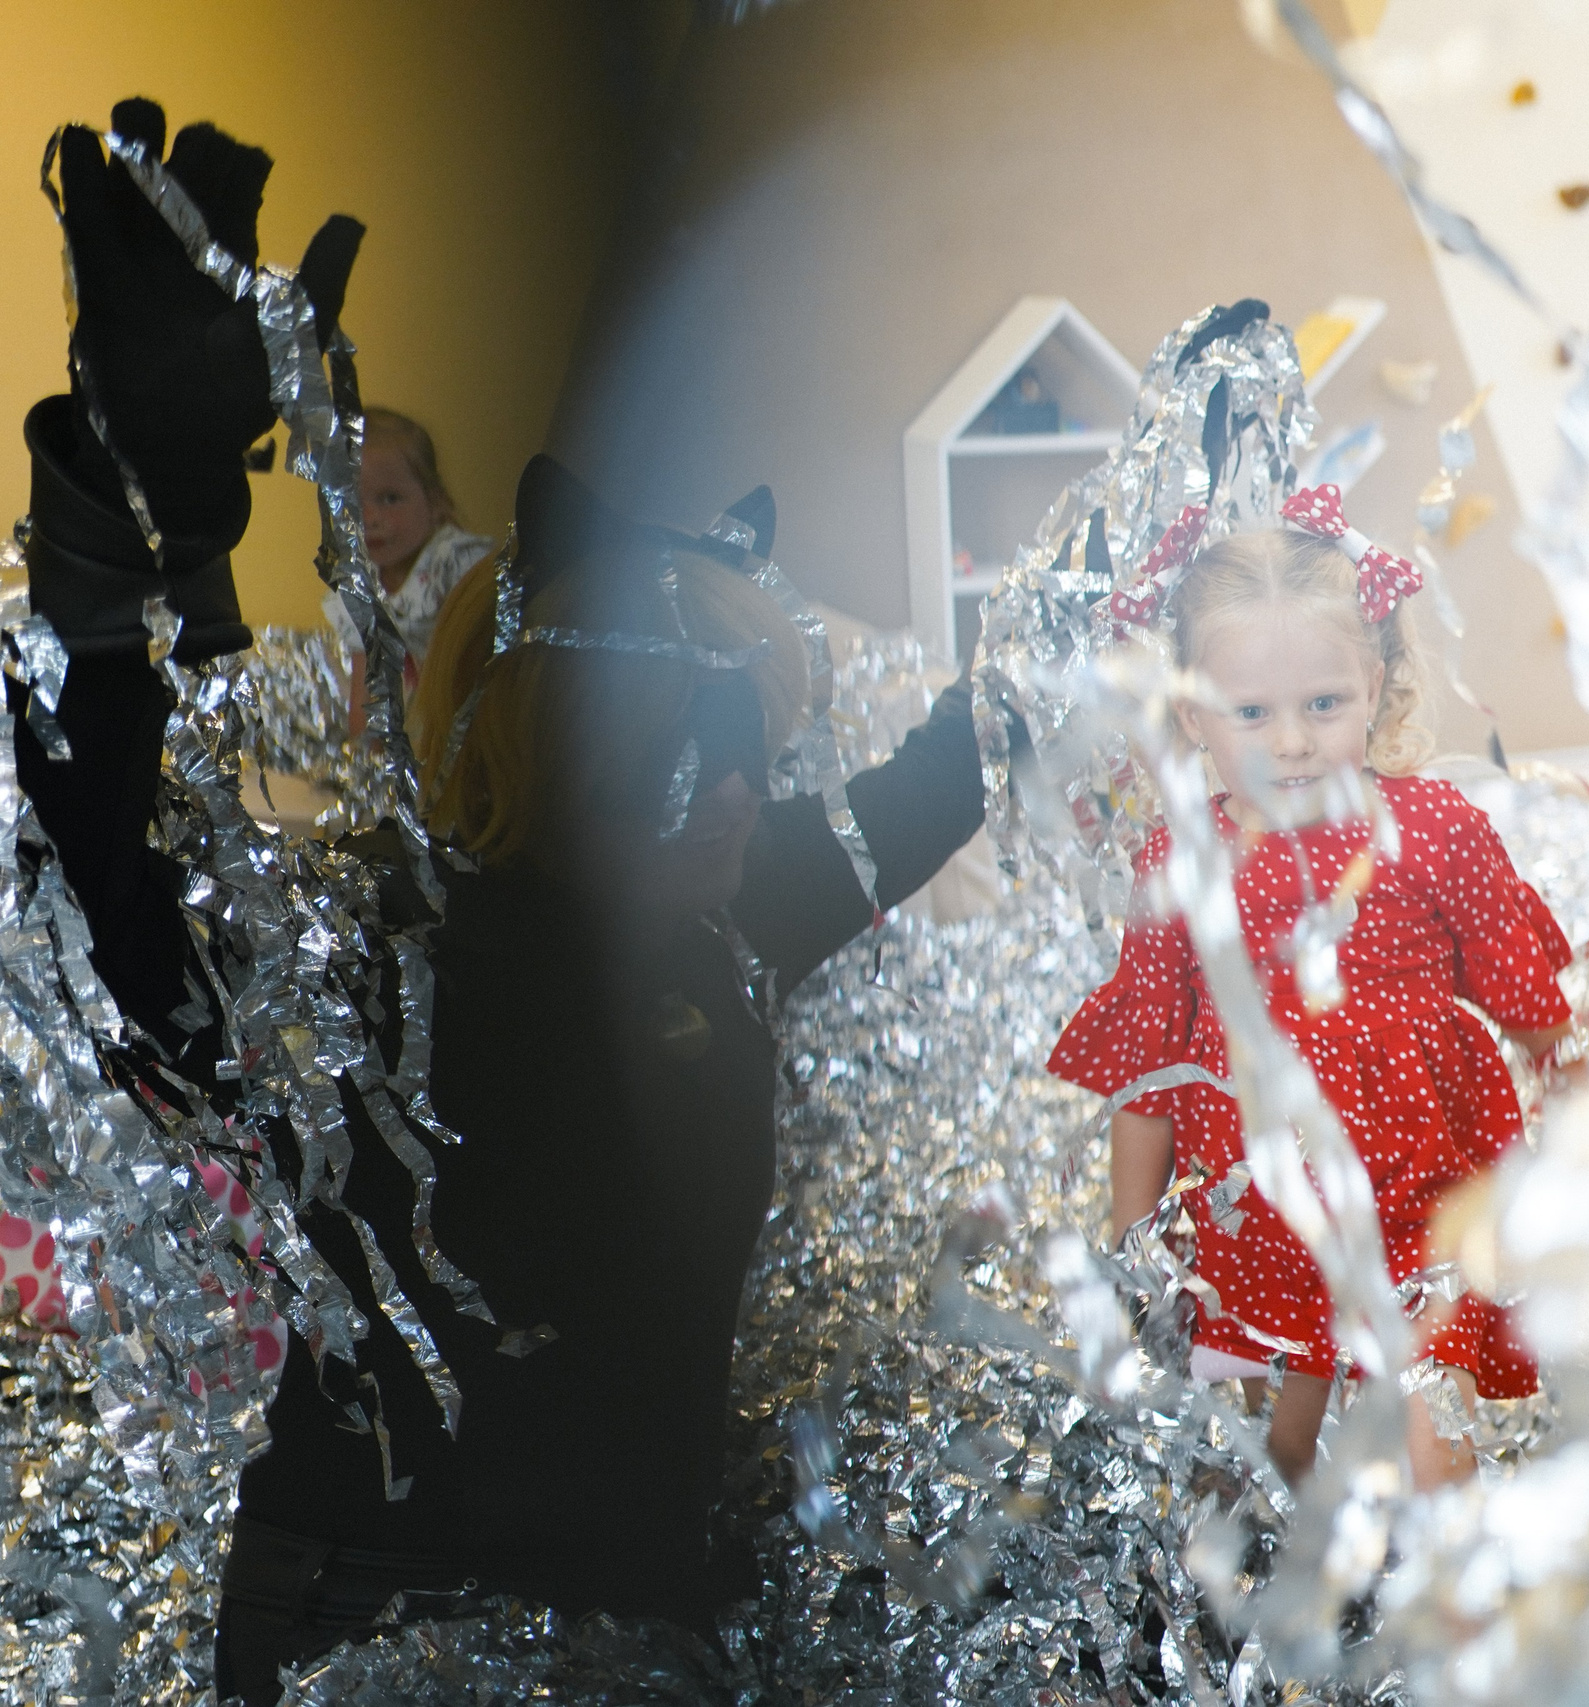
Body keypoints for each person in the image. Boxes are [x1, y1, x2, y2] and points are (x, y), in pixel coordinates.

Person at [11, 102, 992, 1703]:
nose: (747, 786)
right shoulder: (403, 963)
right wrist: (125, 546)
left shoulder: (726, 919)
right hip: (383, 1619)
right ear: (565, 750)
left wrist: (1114, 631)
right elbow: (134, 896)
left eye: (757, 745)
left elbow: (916, 797)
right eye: (698, 750)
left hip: (624, 1613)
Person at [1046, 490, 1579, 1490]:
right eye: (1252, 714)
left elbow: (1529, 1000)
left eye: (1323, 705)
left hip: (1423, 1202)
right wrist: (1133, 1247)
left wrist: (1585, 1123)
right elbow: (1149, 1070)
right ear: (1195, 715)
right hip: (1256, 1218)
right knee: (1249, 1464)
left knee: (1432, 1448)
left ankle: (1445, 1614)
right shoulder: (1183, 857)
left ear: (1374, 684)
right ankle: (1239, 1609)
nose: (1289, 742)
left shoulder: (1432, 829)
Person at [321, 406, 491, 703]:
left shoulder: (455, 562)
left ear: (435, 501)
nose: (370, 518)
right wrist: (367, 746)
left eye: (390, 498)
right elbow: (367, 687)